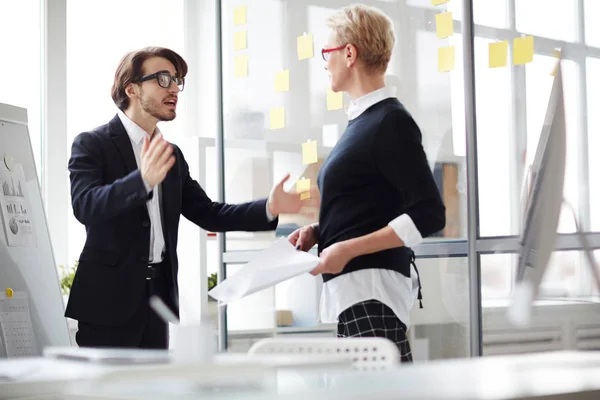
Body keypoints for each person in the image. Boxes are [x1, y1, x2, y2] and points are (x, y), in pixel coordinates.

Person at [67, 46, 314, 349]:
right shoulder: (92, 144)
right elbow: (85, 205)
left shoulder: (172, 155)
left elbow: (210, 213)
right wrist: (141, 181)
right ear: (131, 88)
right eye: (162, 79)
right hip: (107, 303)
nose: (174, 89)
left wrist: (269, 207)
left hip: (157, 300)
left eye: (176, 80)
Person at [288, 4, 445, 363]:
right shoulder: (362, 121)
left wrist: (347, 249)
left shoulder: (389, 121)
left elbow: (429, 213)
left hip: (371, 292)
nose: (324, 62)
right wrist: (319, 230)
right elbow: (369, 204)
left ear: (349, 53)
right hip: (354, 292)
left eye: (326, 52)